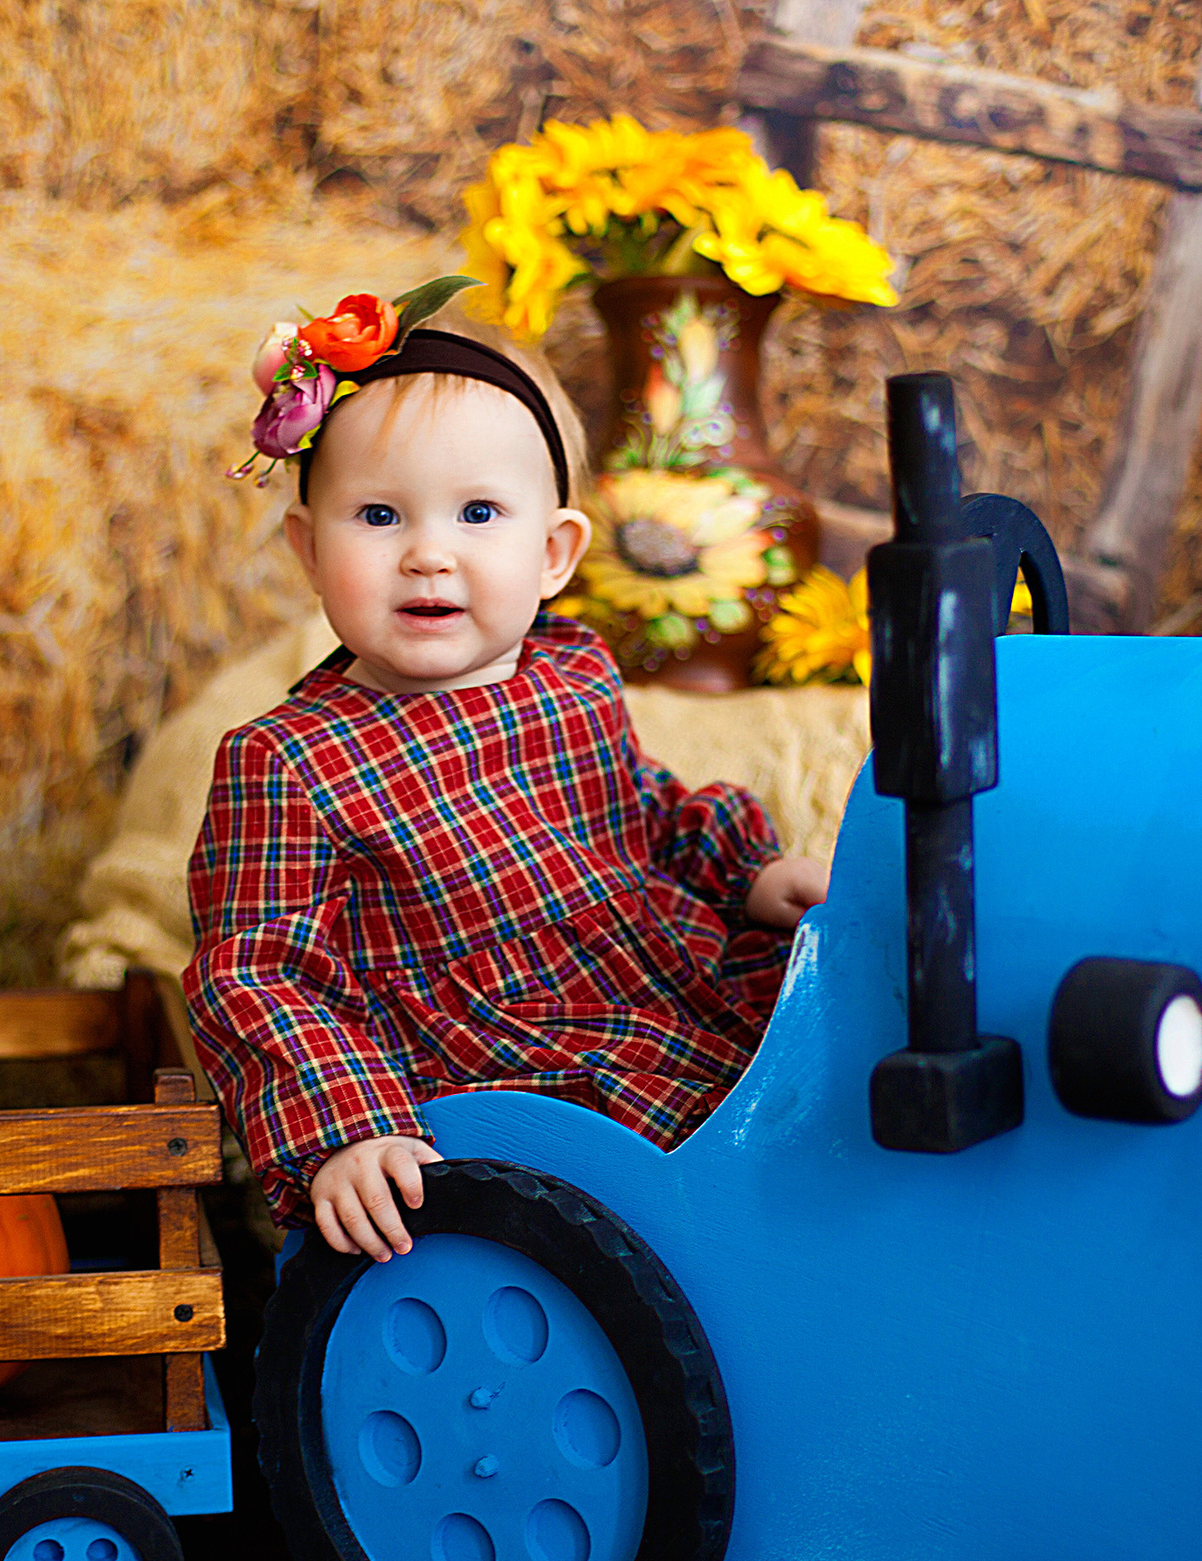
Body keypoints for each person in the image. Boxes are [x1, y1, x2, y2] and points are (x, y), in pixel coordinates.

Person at [184, 280, 828, 1262]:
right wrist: (347, 1130)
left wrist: (743, 872)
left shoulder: (570, 670)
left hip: (669, 985)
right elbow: (259, 979)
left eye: (479, 513)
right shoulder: (286, 763)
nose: (429, 555)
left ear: (555, 553)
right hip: (509, 1073)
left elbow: (641, 810)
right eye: (379, 516)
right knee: (665, 1215)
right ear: (310, 550)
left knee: (829, 1066)